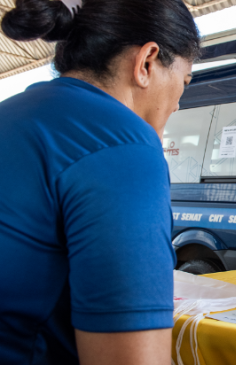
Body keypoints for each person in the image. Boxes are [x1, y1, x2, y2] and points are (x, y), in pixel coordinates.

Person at [0, 1, 199, 364]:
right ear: (147, 62)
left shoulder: (12, 114)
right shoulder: (122, 143)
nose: (177, 105)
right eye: (183, 82)